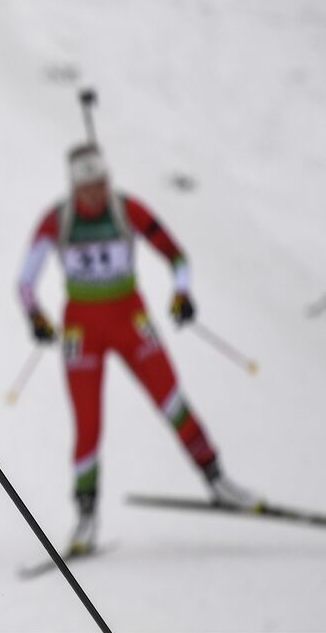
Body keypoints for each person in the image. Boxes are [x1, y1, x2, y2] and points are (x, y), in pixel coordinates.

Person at [17, 143, 257, 554]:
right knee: (88, 422)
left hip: (130, 320)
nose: (96, 194)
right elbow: (25, 281)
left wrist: (182, 294)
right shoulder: (58, 220)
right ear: (74, 189)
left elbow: (176, 256)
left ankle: (217, 479)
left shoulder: (128, 210)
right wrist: (36, 317)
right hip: (82, 330)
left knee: (171, 400)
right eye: (87, 187)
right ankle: (86, 516)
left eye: (101, 184)